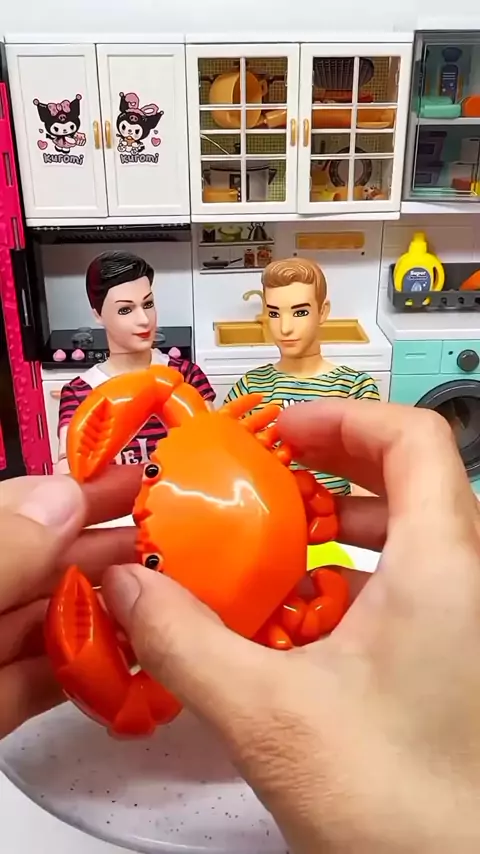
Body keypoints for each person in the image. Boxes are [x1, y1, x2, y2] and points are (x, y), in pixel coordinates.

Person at [1, 398, 480, 853]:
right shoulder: (236, 441)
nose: (140, 509)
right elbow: (165, 389)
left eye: (153, 565)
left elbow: (135, 707)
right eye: (152, 473)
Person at [224, 258, 380, 496]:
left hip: (336, 517)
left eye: (300, 312)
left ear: (322, 312)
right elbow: (228, 466)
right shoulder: (249, 388)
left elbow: (367, 482)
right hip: (270, 514)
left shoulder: (354, 388)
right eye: (274, 313)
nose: (285, 327)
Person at [57, 250, 215, 471]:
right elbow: (68, 468)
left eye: (148, 304)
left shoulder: (187, 376)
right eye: (125, 310)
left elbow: (213, 448)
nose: (143, 320)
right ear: (98, 315)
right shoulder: (79, 393)